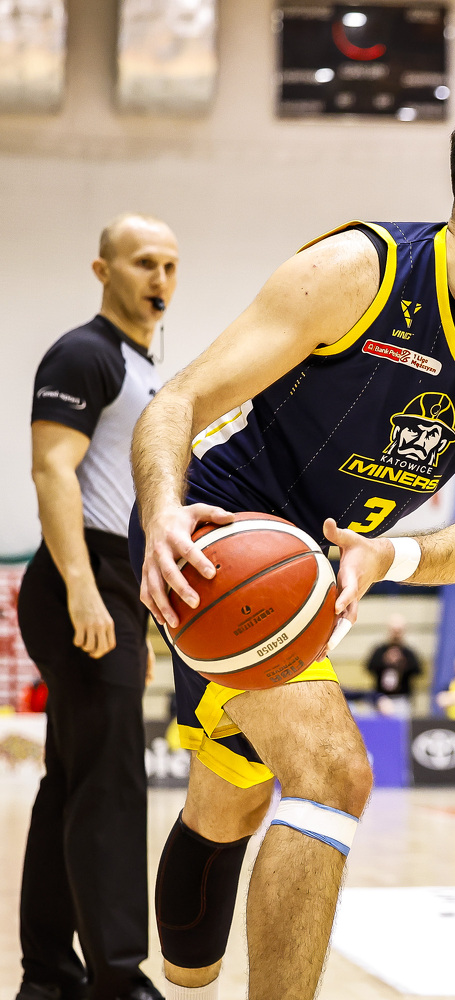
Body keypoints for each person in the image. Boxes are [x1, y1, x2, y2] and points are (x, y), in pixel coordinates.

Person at [127, 99, 455, 1000]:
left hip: (321, 572)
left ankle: (184, 986)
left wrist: (394, 557)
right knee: (333, 773)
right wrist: (163, 518)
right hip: (221, 543)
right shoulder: (357, 271)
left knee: (233, 795)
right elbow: (175, 402)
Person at [16, 214, 176, 1000]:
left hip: (117, 580)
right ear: (102, 270)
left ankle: (49, 977)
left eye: (170, 266)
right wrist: (83, 587)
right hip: (79, 574)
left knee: (73, 783)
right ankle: (118, 979)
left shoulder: (143, 367)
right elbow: (54, 471)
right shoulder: (84, 354)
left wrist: (133, 611)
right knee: (110, 785)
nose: (160, 279)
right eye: (143, 262)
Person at [363, 615, 423, 716]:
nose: (396, 635)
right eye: (394, 631)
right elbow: (369, 667)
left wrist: (402, 662)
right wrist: (385, 661)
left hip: (401, 697)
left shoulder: (408, 652)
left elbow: (418, 671)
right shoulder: (380, 650)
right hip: (380, 697)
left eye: (398, 631)